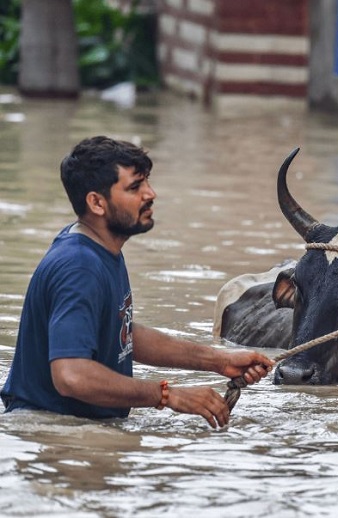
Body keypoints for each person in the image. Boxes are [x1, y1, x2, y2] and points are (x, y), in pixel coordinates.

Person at [1, 136, 274, 429]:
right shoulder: (80, 267)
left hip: (79, 426)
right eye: (135, 187)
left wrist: (218, 361)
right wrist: (167, 395)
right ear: (96, 202)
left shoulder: (99, 248)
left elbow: (122, 331)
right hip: (55, 429)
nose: (150, 194)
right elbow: (72, 376)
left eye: (146, 182)